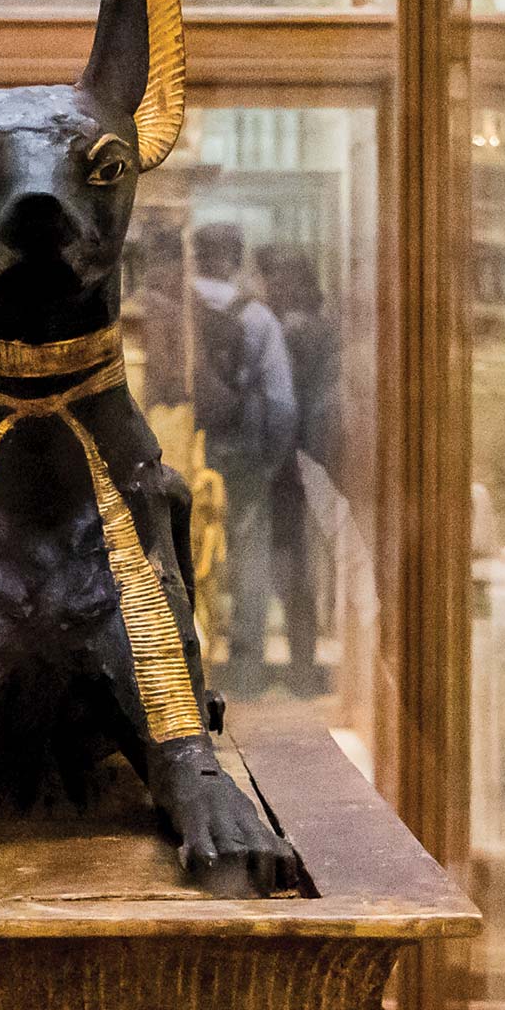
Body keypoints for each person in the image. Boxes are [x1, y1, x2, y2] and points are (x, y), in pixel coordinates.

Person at [191, 221, 297, 697]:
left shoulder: (176, 305)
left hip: (181, 449)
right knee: (248, 553)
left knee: (181, 548)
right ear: (237, 258)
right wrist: (271, 457)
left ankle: (182, 659)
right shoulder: (257, 317)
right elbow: (280, 401)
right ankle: (247, 668)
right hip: (242, 455)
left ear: (197, 255)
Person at [254, 248, 338, 697]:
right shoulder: (315, 329)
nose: (274, 288)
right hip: (305, 459)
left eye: (283, 280)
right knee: (293, 560)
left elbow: (286, 401)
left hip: (294, 460)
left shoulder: (297, 331)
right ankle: (300, 661)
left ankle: (301, 663)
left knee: (291, 561)